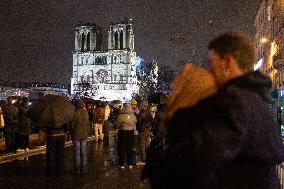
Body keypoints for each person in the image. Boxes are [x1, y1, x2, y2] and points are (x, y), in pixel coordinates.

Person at [145, 32, 284, 189]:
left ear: (227, 62)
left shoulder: (236, 101)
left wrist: (159, 164)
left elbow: (198, 157)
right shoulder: (256, 98)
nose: (210, 71)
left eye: (213, 62)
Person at [114, 104, 137, 169]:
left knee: (122, 148)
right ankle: (130, 163)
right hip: (131, 132)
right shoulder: (133, 116)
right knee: (130, 148)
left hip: (122, 132)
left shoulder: (121, 116)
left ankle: (121, 164)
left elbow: (116, 124)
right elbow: (135, 122)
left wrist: (117, 127)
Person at [71, 99, 89, 174]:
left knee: (77, 151)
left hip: (77, 134)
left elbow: (73, 125)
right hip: (84, 134)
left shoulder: (75, 113)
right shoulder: (86, 112)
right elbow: (87, 122)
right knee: (83, 150)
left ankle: (77, 166)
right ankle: (84, 164)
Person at [137, 100, 153, 165]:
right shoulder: (149, 112)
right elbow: (152, 120)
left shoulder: (141, 113)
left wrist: (139, 129)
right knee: (147, 145)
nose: (140, 106)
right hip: (147, 130)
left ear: (143, 106)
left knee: (142, 146)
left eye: (141, 105)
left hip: (142, 131)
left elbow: (139, 123)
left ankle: (143, 160)